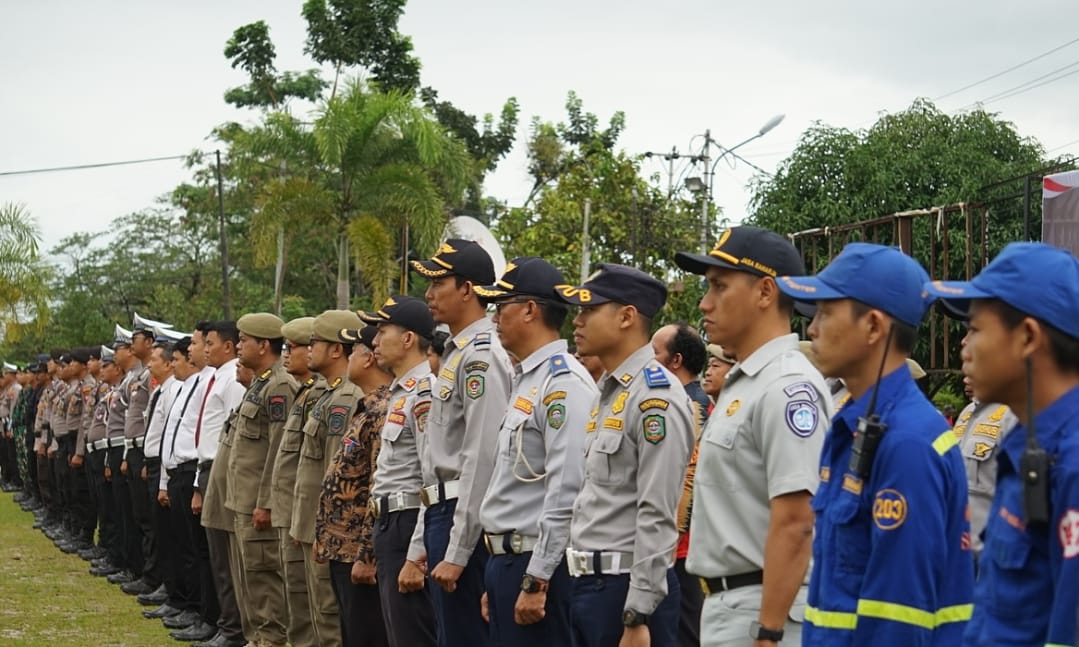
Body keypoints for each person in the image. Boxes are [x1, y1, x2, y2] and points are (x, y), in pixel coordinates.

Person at [777, 242, 974, 645]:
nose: (811, 328)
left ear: (873, 327)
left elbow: (899, 619)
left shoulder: (907, 443)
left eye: (827, 313)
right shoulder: (853, 423)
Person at [674, 226, 832, 646]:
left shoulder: (787, 386)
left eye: (719, 287)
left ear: (765, 292)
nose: (704, 303)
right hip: (731, 606)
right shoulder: (746, 381)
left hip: (762, 610)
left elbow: (797, 521)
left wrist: (769, 632)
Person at [925, 242, 1079, 647]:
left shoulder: (1071, 461)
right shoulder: (1026, 445)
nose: (965, 346)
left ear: (1028, 337)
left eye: (975, 329)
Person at [556, 263, 695, 647]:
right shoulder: (612, 392)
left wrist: (639, 612)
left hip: (625, 592)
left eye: (588, 310)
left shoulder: (655, 397)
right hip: (590, 586)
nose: (577, 321)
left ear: (626, 317)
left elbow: (657, 510)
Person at [475, 257, 599, 646]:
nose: (494, 318)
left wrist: (537, 576)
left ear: (530, 310)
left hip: (538, 563)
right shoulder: (528, 378)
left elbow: (567, 488)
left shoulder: (564, 383)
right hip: (509, 560)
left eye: (501, 307)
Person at [410, 239, 514, 647]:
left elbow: (481, 457)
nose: (429, 294)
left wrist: (458, 546)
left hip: (460, 511)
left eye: (438, 282)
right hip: (442, 509)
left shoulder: (480, 358)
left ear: (468, 290)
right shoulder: (457, 353)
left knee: (466, 634)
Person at [365, 296, 438, 647]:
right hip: (390, 522)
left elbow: (431, 478)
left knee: (412, 634)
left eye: (382, 332)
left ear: (408, 339)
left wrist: (417, 552)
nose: (374, 342)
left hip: (408, 522)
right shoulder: (401, 392)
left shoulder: (425, 393)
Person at [315, 324, 392, 647]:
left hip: (358, 550)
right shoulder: (367, 406)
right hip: (342, 548)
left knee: (366, 634)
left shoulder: (384, 409)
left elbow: (379, 484)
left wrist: (367, 553)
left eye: (354, 351)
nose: (348, 357)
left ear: (369, 359)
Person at [220, 313, 294, 647]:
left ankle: (269, 641)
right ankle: (256, 640)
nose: (238, 345)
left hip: (258, 507)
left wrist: (265, 502)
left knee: (265, 582)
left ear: (263, 345)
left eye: (244, 340)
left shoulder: (278, 385)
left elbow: (277, 450)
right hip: (243, 503)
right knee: (248, 580)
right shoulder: (260, 383)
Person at [292, 309, 365, 647]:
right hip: (313, 523)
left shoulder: (346, 398)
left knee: (330, 613)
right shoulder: (327, 395)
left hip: (329, 529)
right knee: (318, 608)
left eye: (315, 342)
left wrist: (324, 530)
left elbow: (338, 476)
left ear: (337, 349)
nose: (308, 349)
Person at [651, 322, 709, 647]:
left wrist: (670, 539)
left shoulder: (692, 406)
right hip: (677, 544)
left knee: (682, 632)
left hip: (680, 546)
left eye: (654, 353)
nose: (647, 360)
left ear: (675, 361)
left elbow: (687, 479)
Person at [272, 316, 323, 647]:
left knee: (319, 606)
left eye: (294, 347)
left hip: (310, 518)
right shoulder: (307, 394)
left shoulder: (327, 398)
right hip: (293, 511)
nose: (286, 354)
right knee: (297, 597)